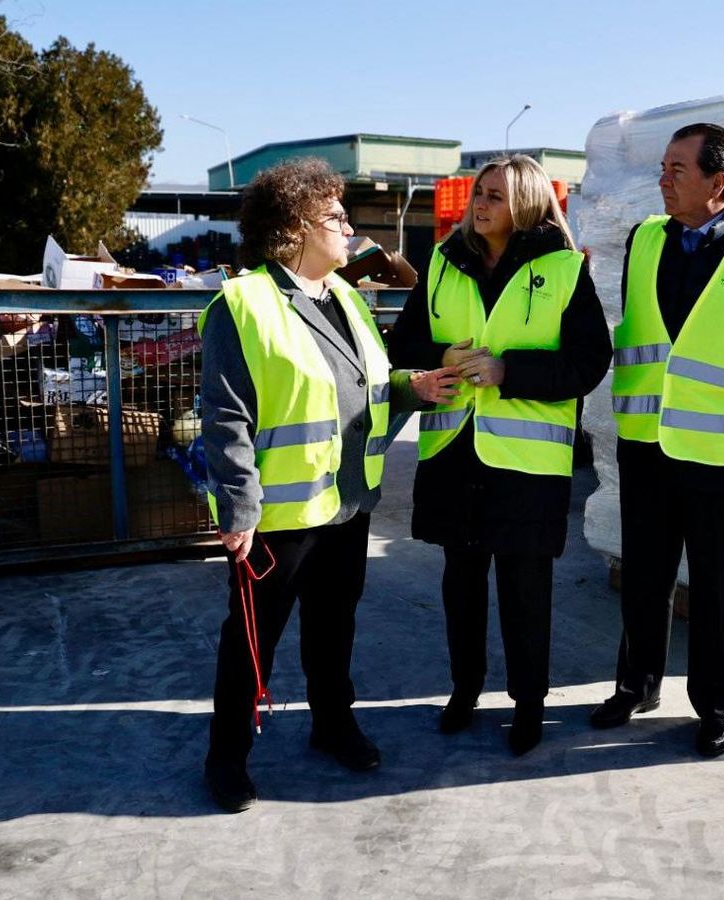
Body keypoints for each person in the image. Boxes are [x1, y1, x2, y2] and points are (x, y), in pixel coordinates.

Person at [200, 158, 459, 812]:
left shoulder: (344, 297)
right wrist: (239, 508)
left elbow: (366, 386)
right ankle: (226, 757)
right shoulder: (244, 304)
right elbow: (226, 415)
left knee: (334, 626)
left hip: (346, 503)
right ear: (294, 228)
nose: (350, 227)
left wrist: (413, 387)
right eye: (336, 217)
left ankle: (332, 723)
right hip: (277, 517)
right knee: (252, 641)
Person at [591, 123, 724, 757]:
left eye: (676, 169)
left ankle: (715, 706)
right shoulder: (644, 240)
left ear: (718, 182)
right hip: (648, 442)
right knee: (645, 576)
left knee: (718, 587)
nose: (663, 178)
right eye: (662, 166)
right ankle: (636, 685)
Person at [388, 155, 610, 755]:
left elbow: (589, 362)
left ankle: (529, 703)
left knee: (525, 587)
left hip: (526, 464)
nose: (479, 204)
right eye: (479, 193)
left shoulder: (564, 270)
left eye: (495, 196)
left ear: (529, 204)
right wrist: (441, 358)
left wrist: (510, 371)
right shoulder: (441, 262)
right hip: (454, 450)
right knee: (460, 581)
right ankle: (465, 690)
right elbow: (403, 344)